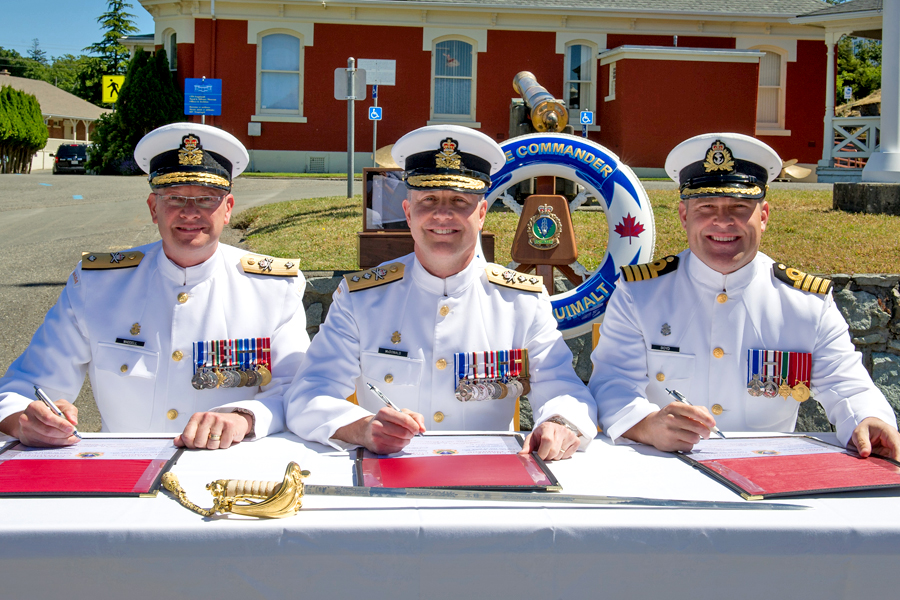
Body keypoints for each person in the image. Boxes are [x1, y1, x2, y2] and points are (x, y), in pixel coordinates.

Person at [285, 124, 597, 460]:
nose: (442, 214)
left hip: (489, 478)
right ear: (408, 213)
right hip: (389, 477)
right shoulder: (361, 298)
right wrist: (362, 427)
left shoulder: (521, 301)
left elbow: (564, 388)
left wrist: (559, 422)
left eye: (459, 201)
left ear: (481, 214)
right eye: (428, 200)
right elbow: (309, 393)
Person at [589, 132, 900, 459]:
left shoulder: (806, 304)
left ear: (763, 216)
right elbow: (612, 383)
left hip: (768, 473)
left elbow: (849, 386)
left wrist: (868, 419)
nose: (722, 221)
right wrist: (647, 424)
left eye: (739, 207)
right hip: (665, 468)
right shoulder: (641, 294)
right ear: (684, 216)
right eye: (706, 206)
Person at [0, 123, 309, 449]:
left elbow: (298, 388)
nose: (190, 213)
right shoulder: (98, 285)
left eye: (206, 199)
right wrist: (27, 421)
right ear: (153, 208)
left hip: (225, 473)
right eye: (175, 198)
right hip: (121, 471)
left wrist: (244, 417)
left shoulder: (272, 289)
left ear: (228, 209)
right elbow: (24, 387)